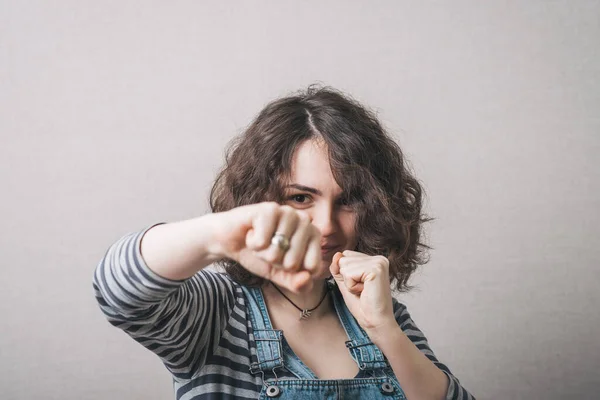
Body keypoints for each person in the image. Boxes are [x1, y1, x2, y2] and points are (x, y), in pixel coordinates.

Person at [93, 86, 475, 399]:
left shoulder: (383, 316)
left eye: (348, 201)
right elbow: (117, 289)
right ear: (261, 200)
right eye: (300, 198)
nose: (325, 225)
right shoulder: (217, 312)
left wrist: (384, 329)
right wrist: (221, 233)